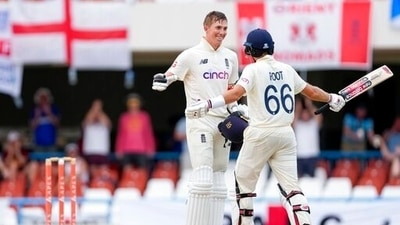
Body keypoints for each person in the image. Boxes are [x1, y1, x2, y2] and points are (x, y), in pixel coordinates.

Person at [185, 28, 346, 225]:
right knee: (291, 188)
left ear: (250, 51)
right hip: (287, 135)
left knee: (241, 186)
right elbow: (311, 92)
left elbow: (235, 94)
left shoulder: (252, 70)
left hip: (260, 133)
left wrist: (208, 103)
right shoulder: (287, 69)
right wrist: (332, 98)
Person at [152, 11, 241, 225]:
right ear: (206, 28)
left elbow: (232, 90)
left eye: (225, 28)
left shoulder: (231, 57)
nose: (222, 33)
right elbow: (170, 75)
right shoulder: (190, 55)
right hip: (199, 119)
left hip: (223, 123)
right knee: (202, 179)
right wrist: (163, 80)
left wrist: (237, 109)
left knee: (219, 180)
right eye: (217, 28)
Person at [115, 93, 156, 172]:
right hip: (126, 149)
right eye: (131, 102)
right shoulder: (124, 117)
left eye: (135, 102)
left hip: (141, 149)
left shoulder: (145, 116)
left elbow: (148, 133)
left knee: (142, 171)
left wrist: (151, 148)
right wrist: (119, 149)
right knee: (127, 171)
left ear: (139, 104)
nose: (133, 105)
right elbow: (121, 134)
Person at [293, 96, 323, 178]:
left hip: (312, 156)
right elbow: (295, 116)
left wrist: (309, 105)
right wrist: (298, 107)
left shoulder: (314, 124)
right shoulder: (298, 124)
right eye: (303, 113)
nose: (305, 115)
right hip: (299, 156)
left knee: (312, 180)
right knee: (298, 179)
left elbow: (318, 116)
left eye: (307, 113)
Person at [81, 98, 112, 168]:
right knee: (91, 170)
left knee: (103, 170)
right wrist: (94, 109)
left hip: (102, 151)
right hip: (90, 150)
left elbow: (108, 124)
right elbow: (86, 122)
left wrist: (99, 111)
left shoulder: (104, 121)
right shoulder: (88, 121)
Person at [29, 87, 60, 151]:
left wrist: (49, 113)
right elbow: (32, 127)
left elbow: (57, 124)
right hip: (38, 143)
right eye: (41, 98)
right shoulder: (34, 110)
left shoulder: (54, 109)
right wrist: (37, 116)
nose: (43, 100)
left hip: (52, 143)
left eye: (45, 98)